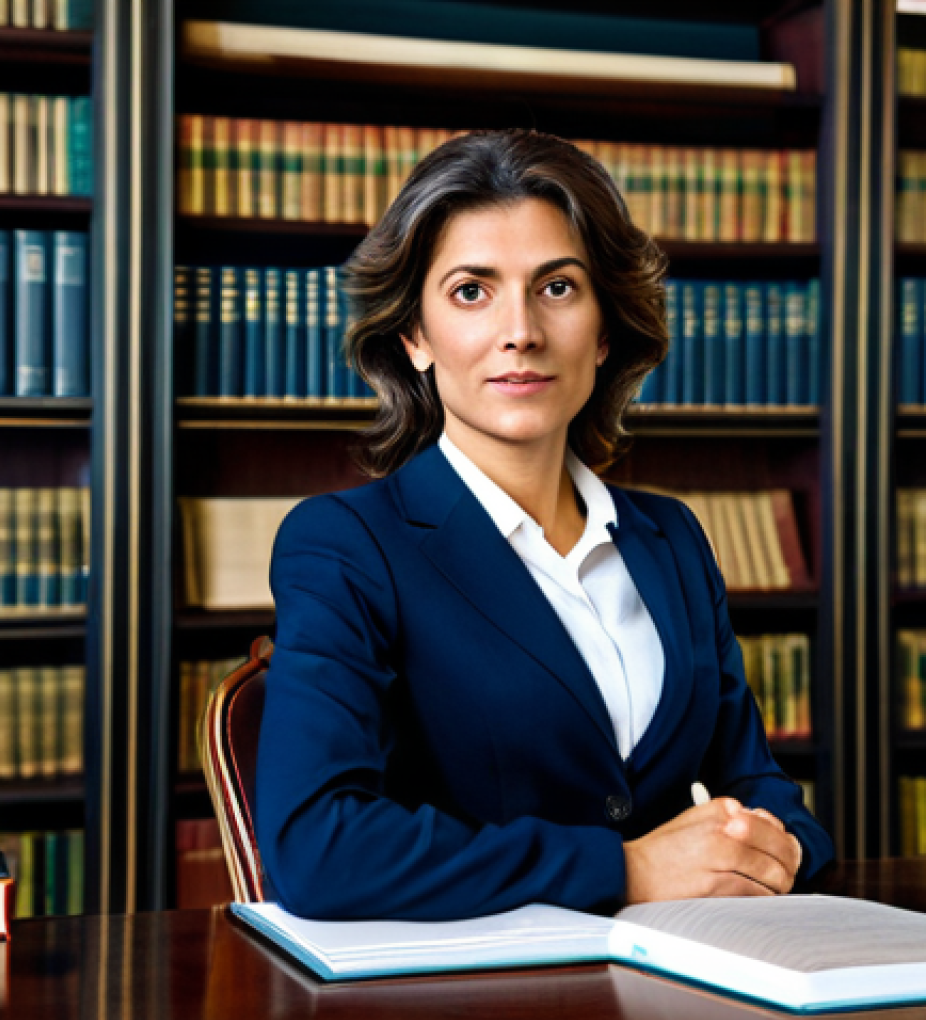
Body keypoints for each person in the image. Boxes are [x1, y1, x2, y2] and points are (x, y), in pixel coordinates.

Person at [255, 128, 834, 921]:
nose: (520, 329)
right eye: (471, 291)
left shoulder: (672, 540)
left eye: (557, 287)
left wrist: (786, 847)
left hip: (697, 975)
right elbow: (317, 849)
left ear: (603, 332)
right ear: (415, 338)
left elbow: (756, 783)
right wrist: (626, 870)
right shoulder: (348, 546)